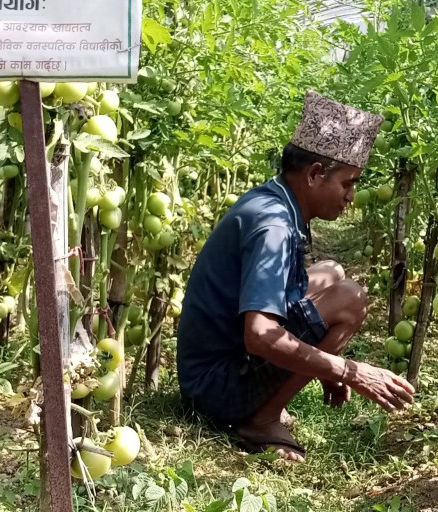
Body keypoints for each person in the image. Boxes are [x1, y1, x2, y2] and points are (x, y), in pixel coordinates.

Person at [177, 91, 415, 462]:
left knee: (332, 272)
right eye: (347, 183)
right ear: (315, 174)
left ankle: (266, 405)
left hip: (207, 367)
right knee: (350, 299)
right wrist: (348, 370)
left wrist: (326, 369)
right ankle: (260, 420)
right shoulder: (274, 227)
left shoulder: (273, 200)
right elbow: (260, 335)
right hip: (214, 389)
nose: (351, 196)